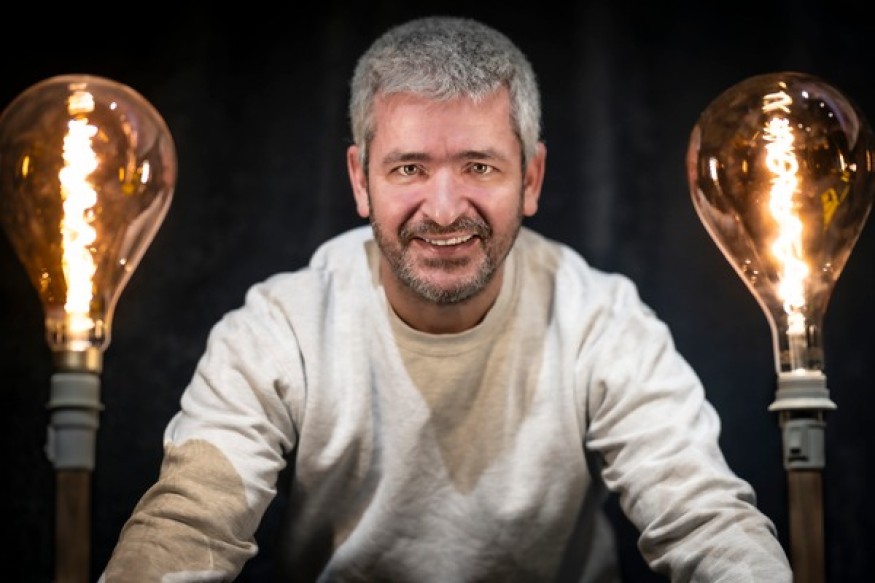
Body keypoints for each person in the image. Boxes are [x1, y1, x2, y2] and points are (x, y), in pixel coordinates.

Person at [101, 15, 792, 582]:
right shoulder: (280, 330)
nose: (442, 209)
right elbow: (189, 524)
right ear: (360, 180)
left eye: (478, 166)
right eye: (408, 168)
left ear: (531, 178)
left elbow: (703, 519)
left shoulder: (599, 321)